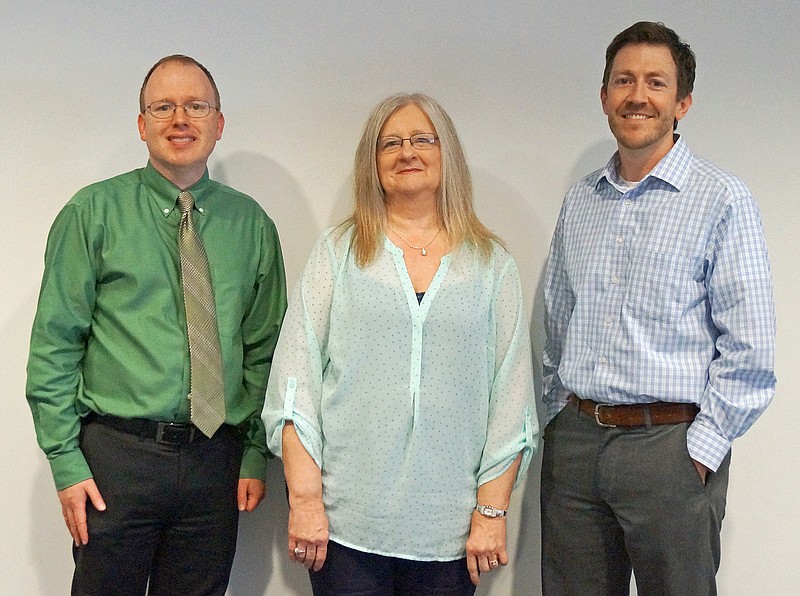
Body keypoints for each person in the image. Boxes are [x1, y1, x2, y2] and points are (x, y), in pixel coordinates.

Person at [26, 54, 286, 595]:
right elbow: (55, 344)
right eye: (162, 107)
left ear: (219, 123)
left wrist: (255, 452)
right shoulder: (92, 214)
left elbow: (266, 352)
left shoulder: (252, 225)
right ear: (141, 125)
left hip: (216, 460)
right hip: (117, 461)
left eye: (195, 105)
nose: (180, 119)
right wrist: (65, 461)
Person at [262, 92, 538, 595]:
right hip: (345, 529)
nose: (406, 152)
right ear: (373, 163)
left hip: (451, 533)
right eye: (390, 143)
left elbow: (513, 400)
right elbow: (293, 384)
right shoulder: (338, 253)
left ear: (446, 153)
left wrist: (492, 512)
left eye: (421, 139)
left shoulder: (491, 265)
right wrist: (303, 502)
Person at [541, 21, 776, 595]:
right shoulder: (582, 200)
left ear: (682, 102)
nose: (637, 96)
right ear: (604, 97)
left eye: (655, 82)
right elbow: (557, 320)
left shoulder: (722, 200)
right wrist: (554, 419)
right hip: (577, 445)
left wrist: (701, 451)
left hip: (669, 447)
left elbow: (751, 349)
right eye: (623, 80)